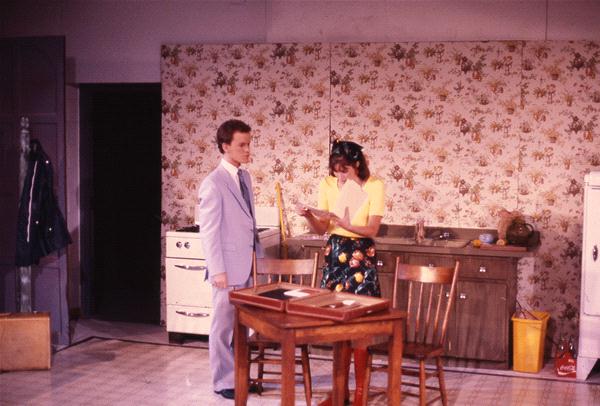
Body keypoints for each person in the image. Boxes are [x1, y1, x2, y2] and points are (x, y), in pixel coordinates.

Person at [297, 139, 385, 406]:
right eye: (336, 170)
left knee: (359, 326)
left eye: (345, 169)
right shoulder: (327, 184)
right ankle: (340, 392)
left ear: (356, 164)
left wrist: (348, 224)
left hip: (360, 255)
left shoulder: (374, 185)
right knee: (336, 325)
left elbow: (372, 230)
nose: (340, 175)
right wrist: (309, 216)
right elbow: (321, 229)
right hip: (335, 254)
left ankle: (360, 394)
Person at [196, 119, 263, 400]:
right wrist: (218, 270)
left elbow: (248, 221)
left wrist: (256, 258)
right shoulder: (212, 184)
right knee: (223, 328)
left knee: (243, 328)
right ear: (225, 146)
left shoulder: (244, 177)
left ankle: (240, 377)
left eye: (249, 144)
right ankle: (223, 381)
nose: (248, 150)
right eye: (242, 145)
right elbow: (209, 232)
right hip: (227, 270)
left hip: (246, 266)